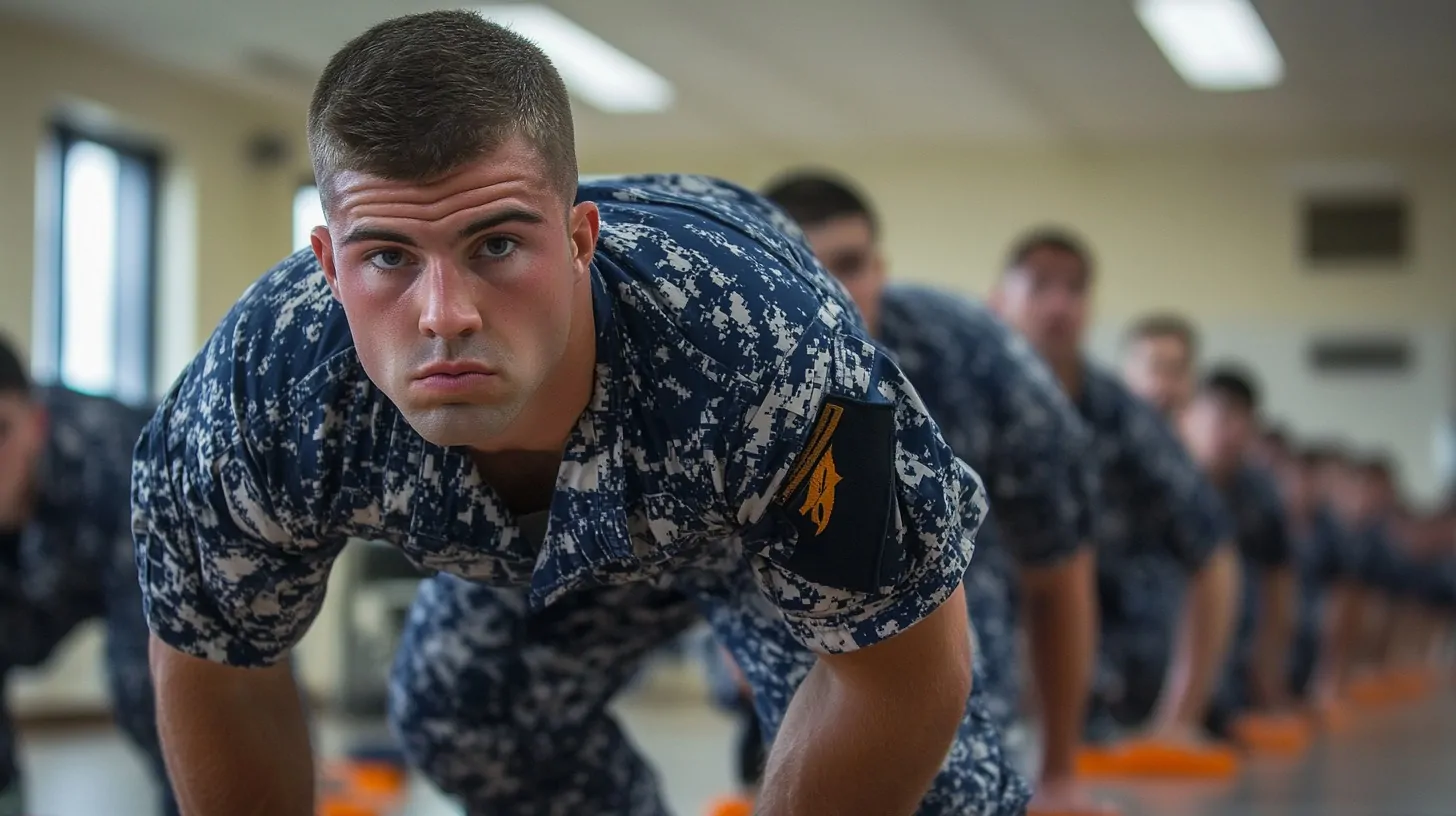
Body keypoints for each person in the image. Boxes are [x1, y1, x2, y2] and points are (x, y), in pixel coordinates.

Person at [131, 11, 1027, 816]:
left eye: (497, 245)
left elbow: (899, 682)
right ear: (327, 266)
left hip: (741, 504)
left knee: (944, 793)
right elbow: (222, 670)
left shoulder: (765, 352)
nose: (445, 314)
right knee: (461, 707)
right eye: (389, 256)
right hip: (548, 558)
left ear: (578, 242)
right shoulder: (260, 389)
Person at [759, 171, 1106, 814]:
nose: (834, 290)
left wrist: (1061, 771)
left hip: (954, 632)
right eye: (804, 264)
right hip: (789, 636)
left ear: (881, 268)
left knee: (953, 791)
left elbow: (1058, 571)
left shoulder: (978, 359)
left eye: (852, 264)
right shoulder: (722, 363)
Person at [988, 229, 1240, 750]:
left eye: (1075, 289)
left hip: (1097, 701)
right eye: (1039, 286)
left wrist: (1180, 721)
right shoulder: (960, 397)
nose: (1059, 304)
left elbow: (1214, 556)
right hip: (977, 689)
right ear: (1000, 299)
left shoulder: (1122, 418)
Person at [0, 336, 176, 815]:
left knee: (155, 688)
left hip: (148, 537)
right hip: (37, 582)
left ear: (35, 425)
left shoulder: (124, 458)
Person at [1178, 367, 1296, 731]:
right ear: (1189, 416)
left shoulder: (1259, 496)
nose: (1226, 431)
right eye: (1216, 416)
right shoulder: (1163, 479)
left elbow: (1277, 590)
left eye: (1238, 419)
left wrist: (1269, 681)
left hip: (1227, 670)